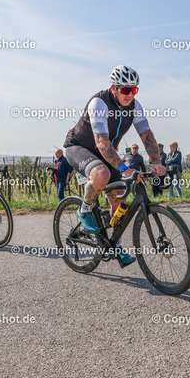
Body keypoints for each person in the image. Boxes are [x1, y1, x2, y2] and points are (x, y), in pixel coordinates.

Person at [63, 65, 166, 266]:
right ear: (114, 88)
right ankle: (84, 209)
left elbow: (146, 135)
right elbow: (102, 142)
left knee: (119, 195)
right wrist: (124, 168)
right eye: (126, 90)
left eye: (134, 89)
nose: (130, 94)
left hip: (105, 152)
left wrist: (156, 161)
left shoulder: (134, 106)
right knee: (101, 173)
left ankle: (115, 245)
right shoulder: (99, 103)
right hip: (79, 147)